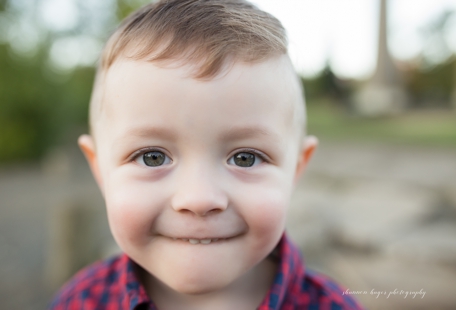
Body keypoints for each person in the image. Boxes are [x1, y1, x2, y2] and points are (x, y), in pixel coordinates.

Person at [49, 1, 362, 309]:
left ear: (295, 170)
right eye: (152, 157)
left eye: (245, 158)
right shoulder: (80, 301)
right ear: (100, 170)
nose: (198, 199)